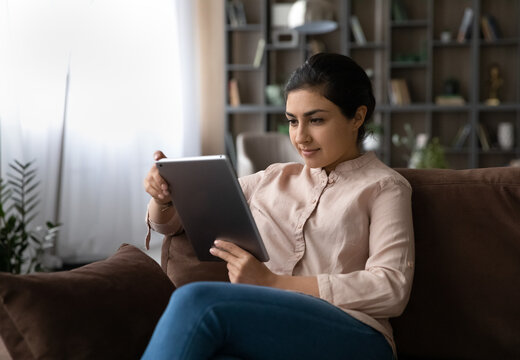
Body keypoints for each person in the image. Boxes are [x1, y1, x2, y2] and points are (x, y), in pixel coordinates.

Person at [142, 53, 414, 360]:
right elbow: (171, 223)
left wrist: (272, 282)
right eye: (292, 121)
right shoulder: (272, 178)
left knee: (195, 300)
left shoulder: (384, 187)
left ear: (357, 117)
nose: (301, 137)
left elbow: (391, 288)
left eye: (316, 120)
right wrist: (163, 196)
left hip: (356, 335)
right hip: (271, 330)